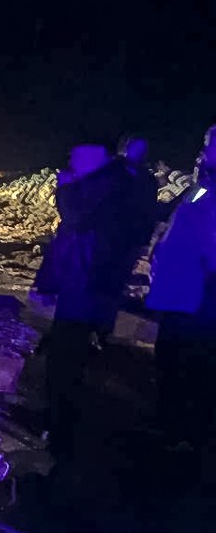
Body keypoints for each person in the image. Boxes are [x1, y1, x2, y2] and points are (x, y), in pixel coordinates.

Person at [38, 143, 148, 463]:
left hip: (89, 287)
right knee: (68, 357)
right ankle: (60, 425)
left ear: (94, 156)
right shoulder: (113, 182)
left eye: (76, 156)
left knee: (67, 361)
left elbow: (75, 218)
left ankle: (62, 438)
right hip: (87, 284)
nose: (70, 162)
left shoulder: (107, 185)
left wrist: (66, 188)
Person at [147, 129, 216, 453]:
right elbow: (181, 221)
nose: (201, 152)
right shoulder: (201, 189)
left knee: (193, 368)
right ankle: (168, 426)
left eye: (209, 146)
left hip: (199, 302)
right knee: (169, 361)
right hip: (177, 298)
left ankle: (187, 437)